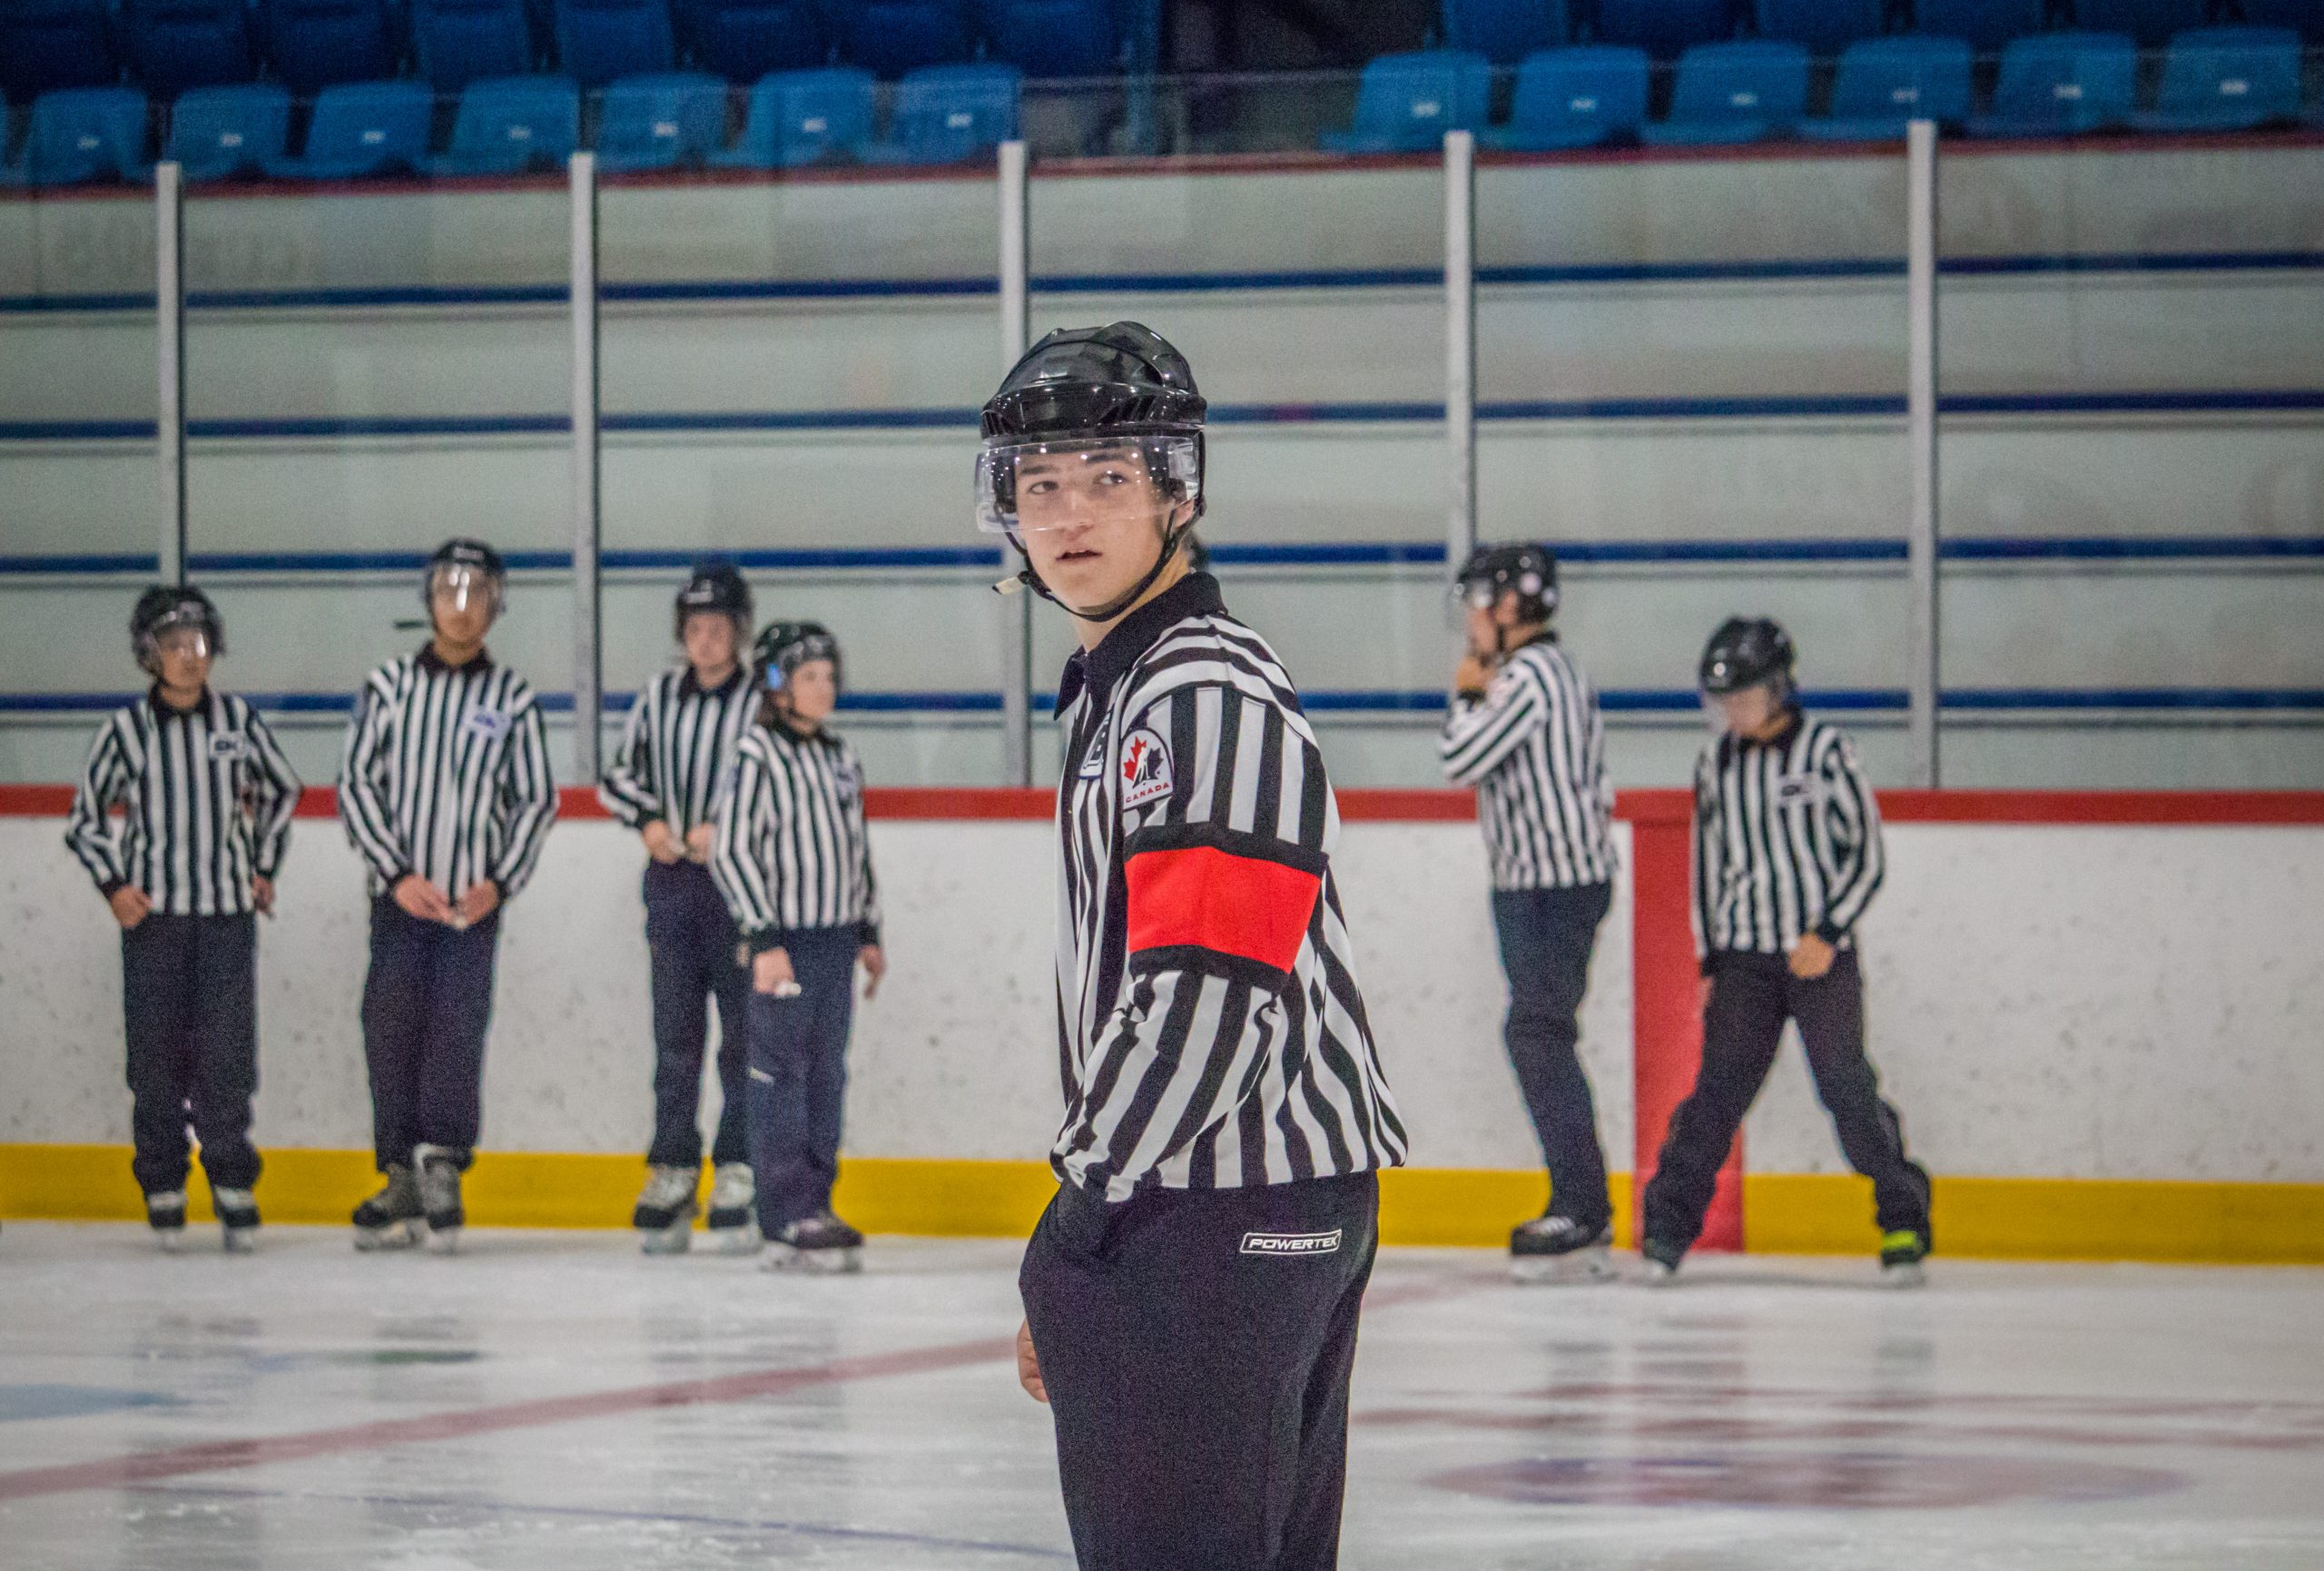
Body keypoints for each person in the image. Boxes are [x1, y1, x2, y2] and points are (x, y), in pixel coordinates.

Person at [987, 321, 1407, 1571]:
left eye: (1108, 477)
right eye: (1039, 483)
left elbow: (1206, 1000)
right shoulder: (1135, 687)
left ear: (1177, 490)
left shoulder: (1196, 692)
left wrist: (1079, 1212)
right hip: (1238, 1209)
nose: (1066, 512)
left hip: (1215, 1213)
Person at [1639, 617, 1933, 1286]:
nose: (1732, 713)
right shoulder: (1715, 761)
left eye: (1743, 698)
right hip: (1744, 957)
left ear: (1779, 689)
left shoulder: (1828, 751)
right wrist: (1711, 958)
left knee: (1846, 1087)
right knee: (1716, 1096)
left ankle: (1902, 1219)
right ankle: (1667, 1231)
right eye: (1723, 702)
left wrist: (1827, 932)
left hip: (1819, 956)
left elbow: (1867, 854)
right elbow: (1707, 866)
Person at [64, 585, 300, 1252]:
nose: (188, 657)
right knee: (158, 1060)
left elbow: (284, 791)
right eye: (172, 645)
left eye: (197, 643)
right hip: (156, 925)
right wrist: (114, 885)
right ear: (148, 654)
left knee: (226, 1058)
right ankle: (163, 1182)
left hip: (226, 918)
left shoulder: (239, 722)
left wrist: (263, 866)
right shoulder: (125, 731)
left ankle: (232, 1182)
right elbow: (85, 822)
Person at [339, 538, 556, 1253]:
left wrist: (500, 881)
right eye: (448, 593)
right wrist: (396, 873)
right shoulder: (388, 685)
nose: (461, 609)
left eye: (477, 595)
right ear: (429, 600)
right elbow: (356, 784)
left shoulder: (513, 698)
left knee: (455, 1034)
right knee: (389, 1029)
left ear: (496, 606)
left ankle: (443, 1165)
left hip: (470, 907)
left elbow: (534, 800)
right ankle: (399, 1169)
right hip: (399, 902)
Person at [1439, 542, 1620, 1283]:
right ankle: (1580, 1201)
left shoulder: (1530, 677)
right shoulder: (1552, 669)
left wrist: (1465, 694)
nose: (1472, 619)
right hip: (1542, 883)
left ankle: (1582, 1206)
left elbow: (1460, 759)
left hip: (1552, 887)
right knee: (1539, 1034)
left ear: (1514, 605)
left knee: (1537, 1034)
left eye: (1481, 601)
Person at [709, 620, 886, 1272]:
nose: (824, 688)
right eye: (809, 677)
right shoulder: (756, 755)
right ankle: (783, 1210)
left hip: (834, 940)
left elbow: (854, 848)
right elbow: (732, 848)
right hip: (781, 943)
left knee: (825, 1074)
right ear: (778, 686)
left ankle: (818, 1200)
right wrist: (762, 936)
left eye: (829, 676)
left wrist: (868, 930)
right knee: (779, 1074)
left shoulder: (840, 756)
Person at [600, 561, 762, 1254]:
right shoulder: (659, 695)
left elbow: (780, 774)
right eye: (695, 629)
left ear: (739, 632)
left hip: (742, 890)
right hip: (672, 888)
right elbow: (618, 772)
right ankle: (670, 1167)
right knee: (676, 1039)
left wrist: (728, 824)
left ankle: (736, 1165)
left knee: (744, 1037)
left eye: (718, 628)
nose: (706, 641)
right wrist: (649, 823)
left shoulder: (762, 699)